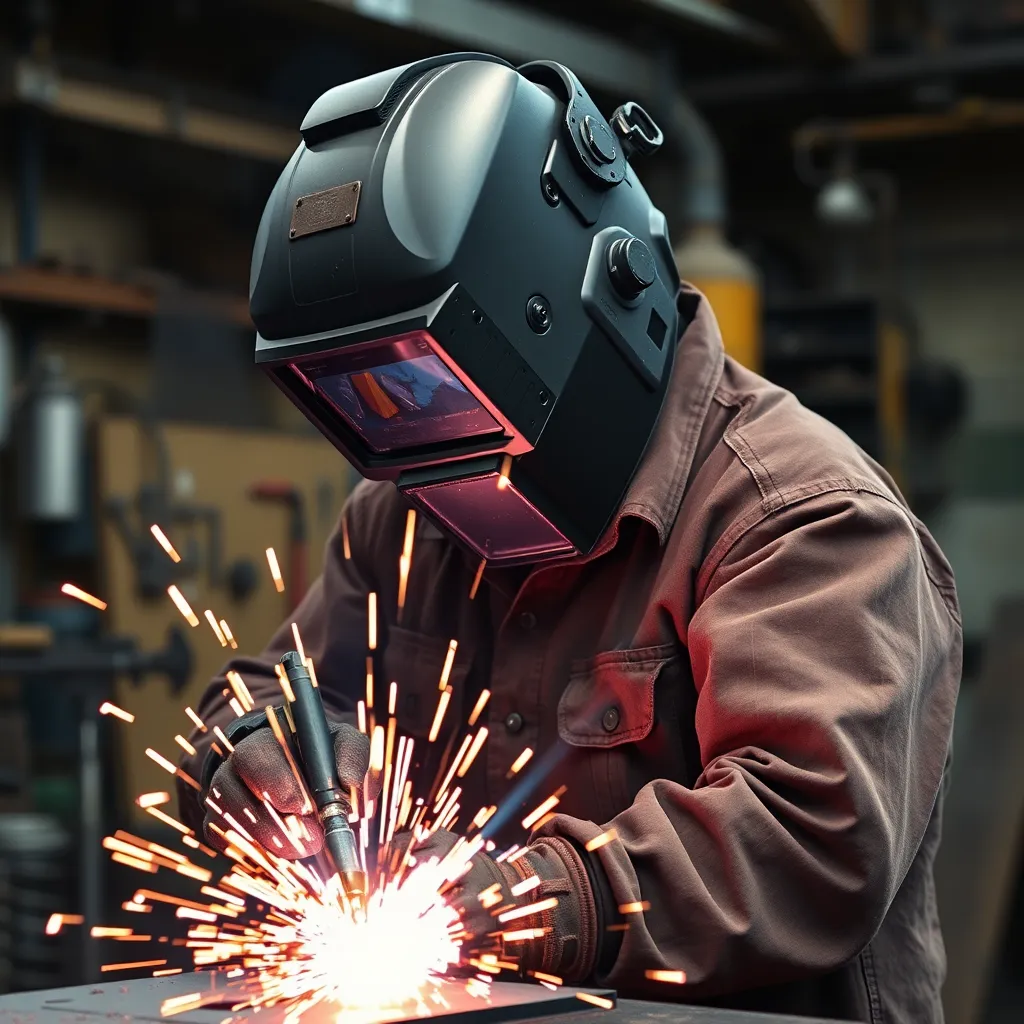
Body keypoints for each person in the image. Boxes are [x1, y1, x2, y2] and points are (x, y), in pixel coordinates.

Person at [178, 53, 961, 1024]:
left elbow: (806, 838)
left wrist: (516, 902)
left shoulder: (802, 514)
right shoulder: (404, 506)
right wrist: (258, 749)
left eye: (431, 385)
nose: (425, 449)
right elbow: (279, 688)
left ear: (593, 303)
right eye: (376, 405)